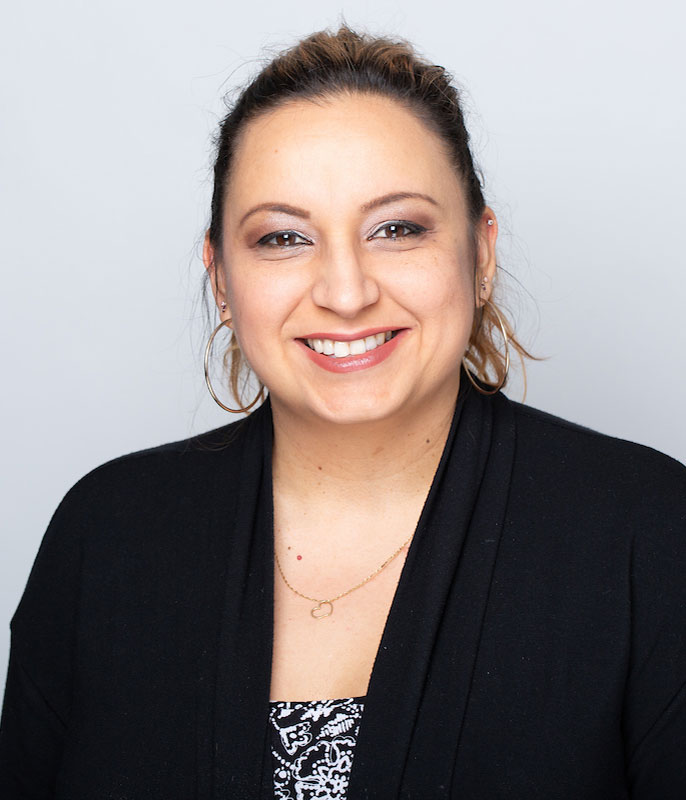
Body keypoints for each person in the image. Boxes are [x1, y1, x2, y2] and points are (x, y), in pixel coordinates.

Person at [1, 24, 685, 800]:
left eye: (397, 229)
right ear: (220, 277)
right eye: (284, 237)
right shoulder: (106, 538)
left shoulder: (648, 534)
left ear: (481, 254)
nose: (347, 291)